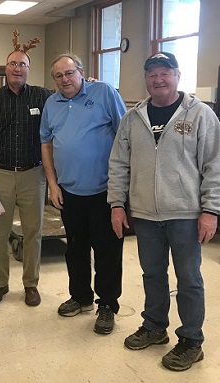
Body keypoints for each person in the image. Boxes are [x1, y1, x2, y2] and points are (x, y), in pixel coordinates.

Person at [108, 51, 220, 371]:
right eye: (152, 73)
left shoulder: (200, 115)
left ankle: (191, 340)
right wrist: (117, 204)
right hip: (145, 214)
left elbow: (215, 165)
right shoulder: (133, 118)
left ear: (177, 75)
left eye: (165, 73)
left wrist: (211, 210)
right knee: (152, 274)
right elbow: (118, 164)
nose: (158, 79)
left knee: (188, 279)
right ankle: (155, 326)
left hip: (186, 215)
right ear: (146, 79)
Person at [40, 53, 126, 334]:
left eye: (69, 73)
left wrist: (122, 188)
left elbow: (124, 135)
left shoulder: (104, 92)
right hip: (69, 193)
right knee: (75, 249)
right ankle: (81, 296)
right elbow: (46, 144)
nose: (64, 79)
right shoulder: (52, 103)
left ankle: (107, 305)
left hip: (104, 192)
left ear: (80, 71)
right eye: (58, 76)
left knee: (107, 252)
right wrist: (52, 184)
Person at [0, 29, 52, 307]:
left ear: (29, 69)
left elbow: (72, 95)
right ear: (6, 68)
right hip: (0, 175)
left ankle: (30, 284)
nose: (18, 69)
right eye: (13, 64)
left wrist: (86, 82)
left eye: (23, 65)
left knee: (34, 232)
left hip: (34, 174)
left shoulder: (44, 97)